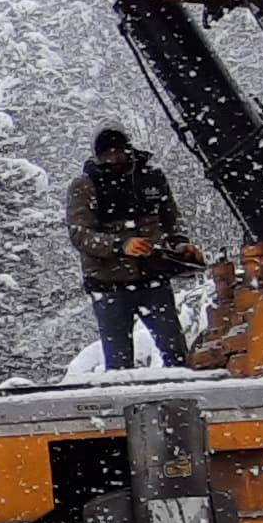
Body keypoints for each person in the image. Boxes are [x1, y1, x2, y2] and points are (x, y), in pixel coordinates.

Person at [67, 125, 197, 371]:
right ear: (98, 156)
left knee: (178, 355)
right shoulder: (85, 185)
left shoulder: (152, 178)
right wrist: (120, 245)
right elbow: (80, 235)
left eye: (119, 151)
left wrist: (180, 244)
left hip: (154, 278)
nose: (114, 158)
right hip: (109, 285)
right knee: (118, 363)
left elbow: (171, 219)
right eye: (108, 153)